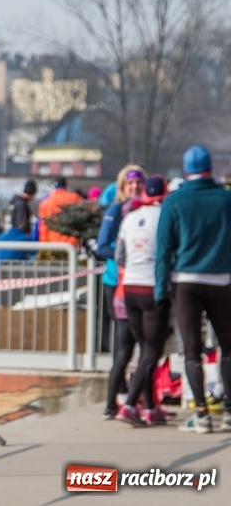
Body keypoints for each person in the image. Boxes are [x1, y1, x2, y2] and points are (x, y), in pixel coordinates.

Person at [156, 146, 231, 433]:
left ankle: (201, 414)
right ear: (210, 169)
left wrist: (161, 293)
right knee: (228, 348)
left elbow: (164, 250)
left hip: (186, 281)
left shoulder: (174, 201)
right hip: (222, 280)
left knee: (191, 351)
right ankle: (229, 411)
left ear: (186, 171)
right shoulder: (226, 199)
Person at [114, 175, 172, 426]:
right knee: (151, 352)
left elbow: (119, 256)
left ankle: (149, 408)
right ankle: (128, 406)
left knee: (144, 349)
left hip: (130, 288)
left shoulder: (128, 217)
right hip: (153, 287)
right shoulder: (166, 216)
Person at [95, 163, 146, 417]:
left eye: (139, 183)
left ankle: (139, 397)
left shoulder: (146, 210)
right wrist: (126, 252)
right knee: (122, 341)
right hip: (116, 282)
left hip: (138, 282)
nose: (135, 187)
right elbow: (101, 247)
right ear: (122, 186)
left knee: (140, 342)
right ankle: (120, 393)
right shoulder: (116, 210)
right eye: (130, 183)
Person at [37, 176, 82, 247]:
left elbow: (43, 225)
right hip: (72, 243)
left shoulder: (45, 202)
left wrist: (43, 243)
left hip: (52, 242)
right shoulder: (75, 198)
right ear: (65, 186)